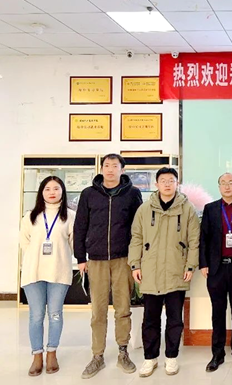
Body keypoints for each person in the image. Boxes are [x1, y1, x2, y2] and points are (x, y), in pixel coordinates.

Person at [74, 153, 143, 379]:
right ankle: (97, 355)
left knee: (123, 309)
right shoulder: (88, 194)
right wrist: (80, 257)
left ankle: (123, 351)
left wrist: (137, 259)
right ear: (101, 168)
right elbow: (80, 226)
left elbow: (138, 228)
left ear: (122, 169)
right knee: (98, 311)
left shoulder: (133, 194)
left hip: (123, 259)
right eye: (107, 165)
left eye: (115, 165)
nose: (110, 169)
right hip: (96, 259)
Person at [128, 167, 200, 377]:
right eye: (163, 180)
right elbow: (136, 238)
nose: (167, 184)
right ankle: (150, 358)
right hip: (150, 271)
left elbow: (194, 240)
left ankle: (171, 357)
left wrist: (190, 266)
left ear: (177, 184)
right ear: (156, 184)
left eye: (171, 180)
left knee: (174, 319)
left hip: (177, 271)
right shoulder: (144, 209)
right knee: (150, 319)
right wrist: (135, 265)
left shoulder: (187, 209)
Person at [20, 176, 75, 376]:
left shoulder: (70, 216)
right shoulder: (30, 216)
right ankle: (37, 356)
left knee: (55, 314)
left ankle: (52, 353)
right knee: (36, 316)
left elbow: (73, 244)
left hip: (59, 272)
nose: (52, 192)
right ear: (41, 192)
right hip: (33, 272)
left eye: (56, 188)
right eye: (47, 188)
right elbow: (24, 243)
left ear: (63, 191)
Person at [199, 173, 232, 373]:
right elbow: (203, 238)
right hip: (216, 268)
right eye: (224, 183)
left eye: (231, 183)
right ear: (219, 186)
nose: (227, 186)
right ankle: (217, 354)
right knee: (218, 313)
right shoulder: (210, 208)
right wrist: (203, 263)